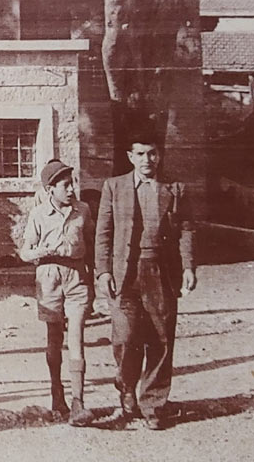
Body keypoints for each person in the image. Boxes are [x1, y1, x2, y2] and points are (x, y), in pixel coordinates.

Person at [95, 126, 196, 430]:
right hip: (124, 274)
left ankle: (153, 405)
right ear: (130, 156)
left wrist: (189, 266)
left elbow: (186, 230)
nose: (147, 160)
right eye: (140, 154)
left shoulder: (175, 189)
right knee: (125, 337)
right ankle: (126, 389)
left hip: (160, 273)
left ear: (159, 155)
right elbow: (103, 232)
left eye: (152, 153)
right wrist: (102, 271)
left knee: (161, 339)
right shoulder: (114, 187)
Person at [20, 159, 95, 426]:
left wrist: (94, 284)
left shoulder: (83, 210)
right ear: (50, 189)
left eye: (72, 183)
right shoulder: (38, 214)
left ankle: (78, 402)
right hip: (49, 279)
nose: (71, 190)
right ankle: (57, 395)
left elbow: (92, 245)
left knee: (76, 336)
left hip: (77, 277)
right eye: (65, 186)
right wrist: (39, 252)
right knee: (54, 337)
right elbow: (24, 252)